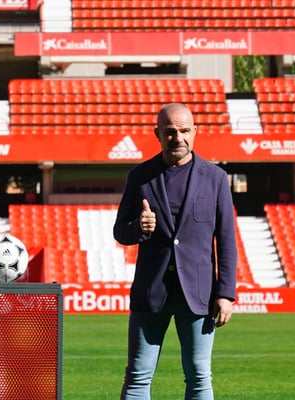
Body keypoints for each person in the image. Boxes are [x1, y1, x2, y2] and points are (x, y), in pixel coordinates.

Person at [113, 103, 237, 400]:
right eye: (170, 132)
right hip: (151, 291)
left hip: (198, 295)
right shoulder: (139, 177)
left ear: (195, 132)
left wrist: (225, 294)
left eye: (184, 131)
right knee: (138, 376)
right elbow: (120, 231)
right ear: (157, 134)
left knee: (199, 376)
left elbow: (226, 240)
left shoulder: (216, 178)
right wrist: (139, 227)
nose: (178, 138)